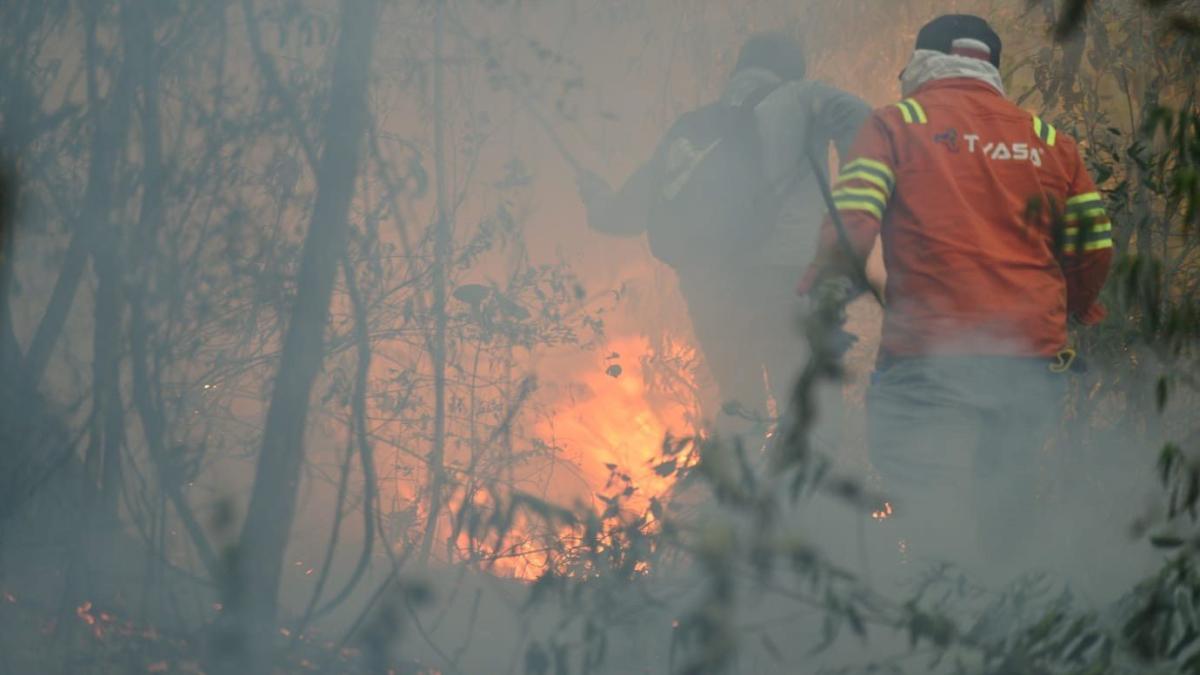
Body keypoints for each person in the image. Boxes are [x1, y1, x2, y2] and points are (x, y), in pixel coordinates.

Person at [798, 14, 1114, 576]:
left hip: (929, 358)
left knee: (930, 507)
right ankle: (1013, 627)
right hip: (1030, 361)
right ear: (991, 66)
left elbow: (854, 219)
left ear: (920, 62)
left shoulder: (897, 123)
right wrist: (1077, 305)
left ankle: (946, 633)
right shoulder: (1048, 141)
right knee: (1005, 504)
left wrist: (826, 284)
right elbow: (1093, 243)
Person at [577, 32, 871, 442]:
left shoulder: (693, 130)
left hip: (712, 289)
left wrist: (595, 196)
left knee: (740, 406)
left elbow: (621, 217)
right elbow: (866, 122)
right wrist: (856, 203)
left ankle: (738, 498)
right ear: (790, 72)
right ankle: (809, 502)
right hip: (785, 278)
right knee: (807, 408)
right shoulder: (800, 97)